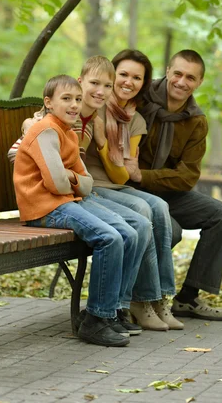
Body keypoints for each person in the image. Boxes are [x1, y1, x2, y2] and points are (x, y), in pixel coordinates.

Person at [9, 56, 180, 331]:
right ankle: (113, 309)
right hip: (53, 198)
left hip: (72, 193)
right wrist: (59, 168)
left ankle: (138, 303)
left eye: (106, 86)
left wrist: (93, 149)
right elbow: (26, 153)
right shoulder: (56, 120)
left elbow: (92, 173)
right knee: (129, 226)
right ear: (80, 83)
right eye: (93, 84)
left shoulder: (88, 121)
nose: (98, 92)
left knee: (147, 216)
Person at [126, 49, 222, 321]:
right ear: (167, 71)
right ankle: (135, 297)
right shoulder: (141, 96)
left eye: (190, 77)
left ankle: (187, 298)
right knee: (170, 231)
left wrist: (144, 175)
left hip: (167, 193)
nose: (181, 82)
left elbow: (187, 177)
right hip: (129, 190)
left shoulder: (196, 120)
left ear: (199, 82)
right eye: (178, 73)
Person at [85, 50, 183, 330]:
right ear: (111, 76)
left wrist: (103, 143)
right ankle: (142, 300)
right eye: (123, 74)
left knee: (159, 206)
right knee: (142, 209)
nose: (129, 82)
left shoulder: (135, 121)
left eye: (137, 77)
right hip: (92, 187)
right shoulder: (94, 104)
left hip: (115, 186)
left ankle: (159, 298)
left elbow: (122, 173)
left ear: (144, 83)